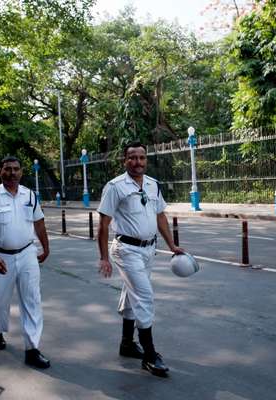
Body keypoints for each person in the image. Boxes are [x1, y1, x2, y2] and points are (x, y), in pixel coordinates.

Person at [97, 141, 186, 378]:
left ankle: (127, 343)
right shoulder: (115, 187)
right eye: (132, 158)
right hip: (126, 250)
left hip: (149, 250)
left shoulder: (153, 185)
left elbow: (161, 217)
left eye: (142, 158)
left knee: (131, 295)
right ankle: (149, 355)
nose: (138, 162)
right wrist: (104, 257)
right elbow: (104, 225)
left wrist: (172, 245)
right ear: (125, 160)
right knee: (144, 296)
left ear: (146, 160)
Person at [0, 156, 51, 369]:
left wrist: (46, 247)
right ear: (0, 171)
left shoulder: (30, 195)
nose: (12, 173)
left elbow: (40, 223)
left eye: (16, 169)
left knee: (32, 301)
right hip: (2, 257)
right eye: (7, 169)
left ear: (21, 171)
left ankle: (32, 349)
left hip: (27, 254)